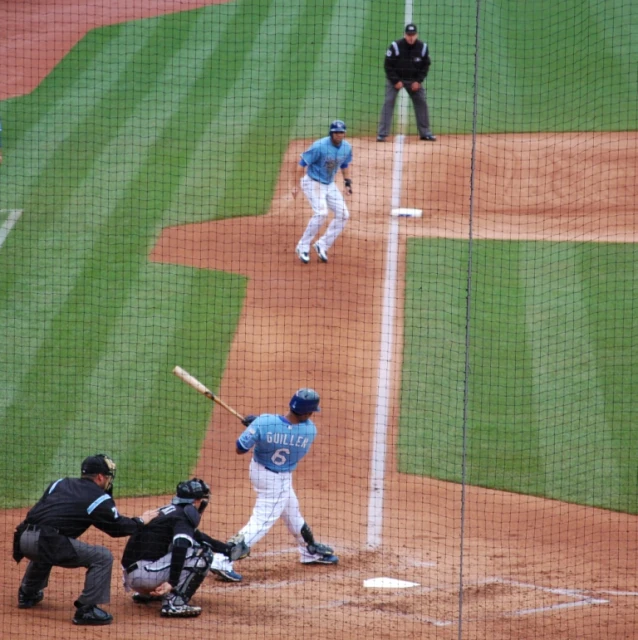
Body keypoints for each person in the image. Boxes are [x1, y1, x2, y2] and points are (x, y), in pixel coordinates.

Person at [12, 454, 158, 626]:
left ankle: (28, 593)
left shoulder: (60, 483)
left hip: (23, 537)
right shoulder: (98, 497)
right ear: (100, 477)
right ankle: (86, 610)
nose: (110, 481)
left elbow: (43, 511)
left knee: (49, 544)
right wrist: (140, 521)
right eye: (109, 476)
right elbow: (117, 528)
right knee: (102, 557)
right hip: (46, 541)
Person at [210, 388, 338, 583]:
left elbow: (240, 448)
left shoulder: (264, 422)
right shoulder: (310, 430)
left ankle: (309, 551)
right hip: (276, 480)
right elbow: (282, 434)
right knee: (261, 521)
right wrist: (259, 427)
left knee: (292, 511)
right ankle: (222, 559)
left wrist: (253, 429)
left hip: (259, 472)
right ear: (307, 412)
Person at [121, 478, 248, 618]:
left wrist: (227, 550)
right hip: (144, 576)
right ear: (197, 501)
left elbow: (199, 536)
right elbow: (180, 547)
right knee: (202, 553)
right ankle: (174, 603)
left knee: (191, 543)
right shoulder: (182, 518)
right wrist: (172, 582)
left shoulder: (171, 512)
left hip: (134, 576)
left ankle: (146, 594)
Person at [292, 120, 353, 264]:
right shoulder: (319, 146)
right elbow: (301, 164)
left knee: (344, 215)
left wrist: (347, 182)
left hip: (329, 184)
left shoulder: (346, 147)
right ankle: (302, 246)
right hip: (312, 182)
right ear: (331, 133)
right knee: (321, 213)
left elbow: (344, 165)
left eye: (341, 132)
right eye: (336, 132)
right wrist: (295, 185)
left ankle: (322, 244)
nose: (339, 135)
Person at [377, 23, 436, 142]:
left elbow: (425, 66)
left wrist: (418, 81)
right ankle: (382, 134)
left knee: (421, 102)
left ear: (416, 35)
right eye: (409, 35)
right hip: (396, 79)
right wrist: (395, 81)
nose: (411, 37)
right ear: (405, 34)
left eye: (413, 34)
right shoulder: (395, 46)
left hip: (413, 80)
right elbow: (387, 65)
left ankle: (425, 133)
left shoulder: (423, 47)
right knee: (388, 101)